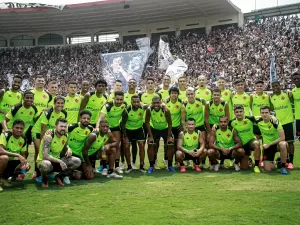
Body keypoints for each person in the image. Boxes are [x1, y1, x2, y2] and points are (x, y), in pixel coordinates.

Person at [37, 118, 81, 188]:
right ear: (55, 127)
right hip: (45, 161)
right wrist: (60, 161)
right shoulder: (49, 136)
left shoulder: (65, 136)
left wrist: (69, 149)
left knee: (77, 161)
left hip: (57, 161)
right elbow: (45, 156)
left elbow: (65, 146)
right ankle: (44, 179)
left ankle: (59, 177)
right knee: (46, 165)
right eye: (61, 126)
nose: (63, 128)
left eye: (65, 127)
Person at [32, 96, 67, 179]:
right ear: (54, 103)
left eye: (62, 103)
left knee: (49, 152)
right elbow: (43, 129)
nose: (60, 105)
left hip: (50, 133)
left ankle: (50, 171)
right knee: (39, 151)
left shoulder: (64, 113)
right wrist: (42, 144)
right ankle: (37, 172)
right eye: (58, 103)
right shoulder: (48, 112)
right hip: (38, 132)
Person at [98, 91, 127, 174]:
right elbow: (101, 117)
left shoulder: (124, 105)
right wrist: (98, 127)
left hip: (116, 127)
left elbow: (125, 115)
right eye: (117, 99)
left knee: (117, 145)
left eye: (121, 99)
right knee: (105, 147)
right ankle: (104, 167)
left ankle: (117, 166)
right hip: (106, 128)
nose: (119, 101)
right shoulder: (108, 106)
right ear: (114, 98)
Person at [2, 90, 39, 155]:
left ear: (33, 99)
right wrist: (7, 131)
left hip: (22, 135)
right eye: (27, 98)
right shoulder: (17, 107)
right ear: (23, 98)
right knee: (4, 155)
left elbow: (37, 121)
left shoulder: (34, 109)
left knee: (26, 153)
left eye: (31, 98)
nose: (29, 99)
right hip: (10, 134)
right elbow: (4, 120)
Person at [145, 96, 175, 173]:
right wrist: (150, 136)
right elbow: (147, 123)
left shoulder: (166, 110)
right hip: (154, 129)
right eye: (154, 103)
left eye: (158, 103)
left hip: (165, 129)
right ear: (151, 103)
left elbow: (170, 123)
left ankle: (170, 165)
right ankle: (151, 166)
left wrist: (168, 136)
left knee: (170, 144)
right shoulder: (149, 110)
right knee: (151, 144)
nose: (156, 105)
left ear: (161, 103)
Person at [228, 105, 261, 173]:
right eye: (237, 112)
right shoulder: (232, 122)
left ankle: (256, 166)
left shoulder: (250, 118)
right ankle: (243, 160)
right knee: (244, 168)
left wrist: (272, 116)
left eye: (241, 111)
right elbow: (222, 124)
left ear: (244, 112)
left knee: (257, 144)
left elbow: (263, 117)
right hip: (241, 145)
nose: (239, 113)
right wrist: (215, 125)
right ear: (234, 113)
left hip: (250, 141)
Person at [270, 80, 294, 170]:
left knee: (290, 142)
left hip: (288, 122)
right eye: (274, 86)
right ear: (272, 88)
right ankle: (284, 160)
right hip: (278, 124)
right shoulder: (271, 98)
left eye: (277, 86)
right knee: (281, 143)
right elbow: (271, 109)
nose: (276, 87)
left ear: (280, 86)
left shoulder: (287, 95)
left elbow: (293, 101)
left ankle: (291, 162)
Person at [256, 106, 288, 174]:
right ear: (260, 113)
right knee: (267, 169)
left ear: (270, 113)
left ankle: (283, 167)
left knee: (283, 144)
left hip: (276, 144)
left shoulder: (275, 122)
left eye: (266, 112)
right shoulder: (258, 121)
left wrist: (269, 144)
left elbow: (282, 138)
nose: (264, 114)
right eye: (262, 113)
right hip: (268, 147)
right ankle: (278, 161)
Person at [0, 120, 30, 191]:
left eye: (21, 128)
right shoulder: (5, 135)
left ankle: (5, 178)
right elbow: (1, 151)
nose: (19, 130)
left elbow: (23, 155)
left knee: (27, 166)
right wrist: (17, 155)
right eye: (17, 128)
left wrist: (24, 163)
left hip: (9, 162)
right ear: (12, 128)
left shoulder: (23, 139)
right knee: (4, 158)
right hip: (2, 160)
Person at [123, 95, 148, 173]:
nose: (136, 103)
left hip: (139, 130)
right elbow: (123, 124)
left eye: (138, 102)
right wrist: (125, 136)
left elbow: (151, 105)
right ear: (131, 102)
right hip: (128, 130)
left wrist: (143, 104)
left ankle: (141, 166)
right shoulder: (126, 110)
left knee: (141, 146)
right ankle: (129, 166)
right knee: (127, 147)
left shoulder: (142, 108)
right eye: (134, 102)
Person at [165, 87, 183, 166]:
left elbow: (183, 115)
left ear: (178, 95)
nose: (174, 95)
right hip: (168, 127)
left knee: (177, 145)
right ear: (169, 94)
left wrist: (182, 125)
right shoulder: (165, 103)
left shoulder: (181, 103)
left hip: (177, 127)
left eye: (175, 93)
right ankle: (166, 159)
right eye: (172, 93)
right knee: (168, 144)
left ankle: (176, 161)